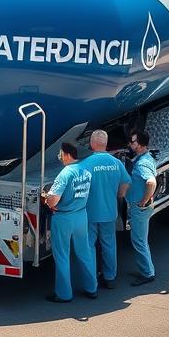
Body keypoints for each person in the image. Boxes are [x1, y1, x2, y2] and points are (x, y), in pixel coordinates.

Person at [43, 141, 97, 304]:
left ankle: (64, 294)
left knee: (62, 255)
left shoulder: (65, 173)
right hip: (81, 215)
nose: (59, 156)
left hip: (64, 218)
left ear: (67, 155)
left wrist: (46, 198)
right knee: (84, 252)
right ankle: (92, 288)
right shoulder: (85, 171)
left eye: (60, 153)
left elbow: (53, 201)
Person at [82, 130, 129, 289]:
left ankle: (91, 285)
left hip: (90, 214)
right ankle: (110, 278)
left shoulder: (85, 164)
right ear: (106, 144)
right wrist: (118, 195)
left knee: (88, 247)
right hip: (109, 212)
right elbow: (125, 184)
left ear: (92, 144)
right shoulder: (116, 163)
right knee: (109, 244)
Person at [126, 129, 157, 287]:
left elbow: (151, 182)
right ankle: (148, 269)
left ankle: (147, 273)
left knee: (139, 241)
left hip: (139, 208)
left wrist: (144, 201)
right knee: (141, 239)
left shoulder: (143, 164)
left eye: (133, 142)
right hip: (142, 207)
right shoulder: (146, 158)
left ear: (141, 145)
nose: (130, 144)